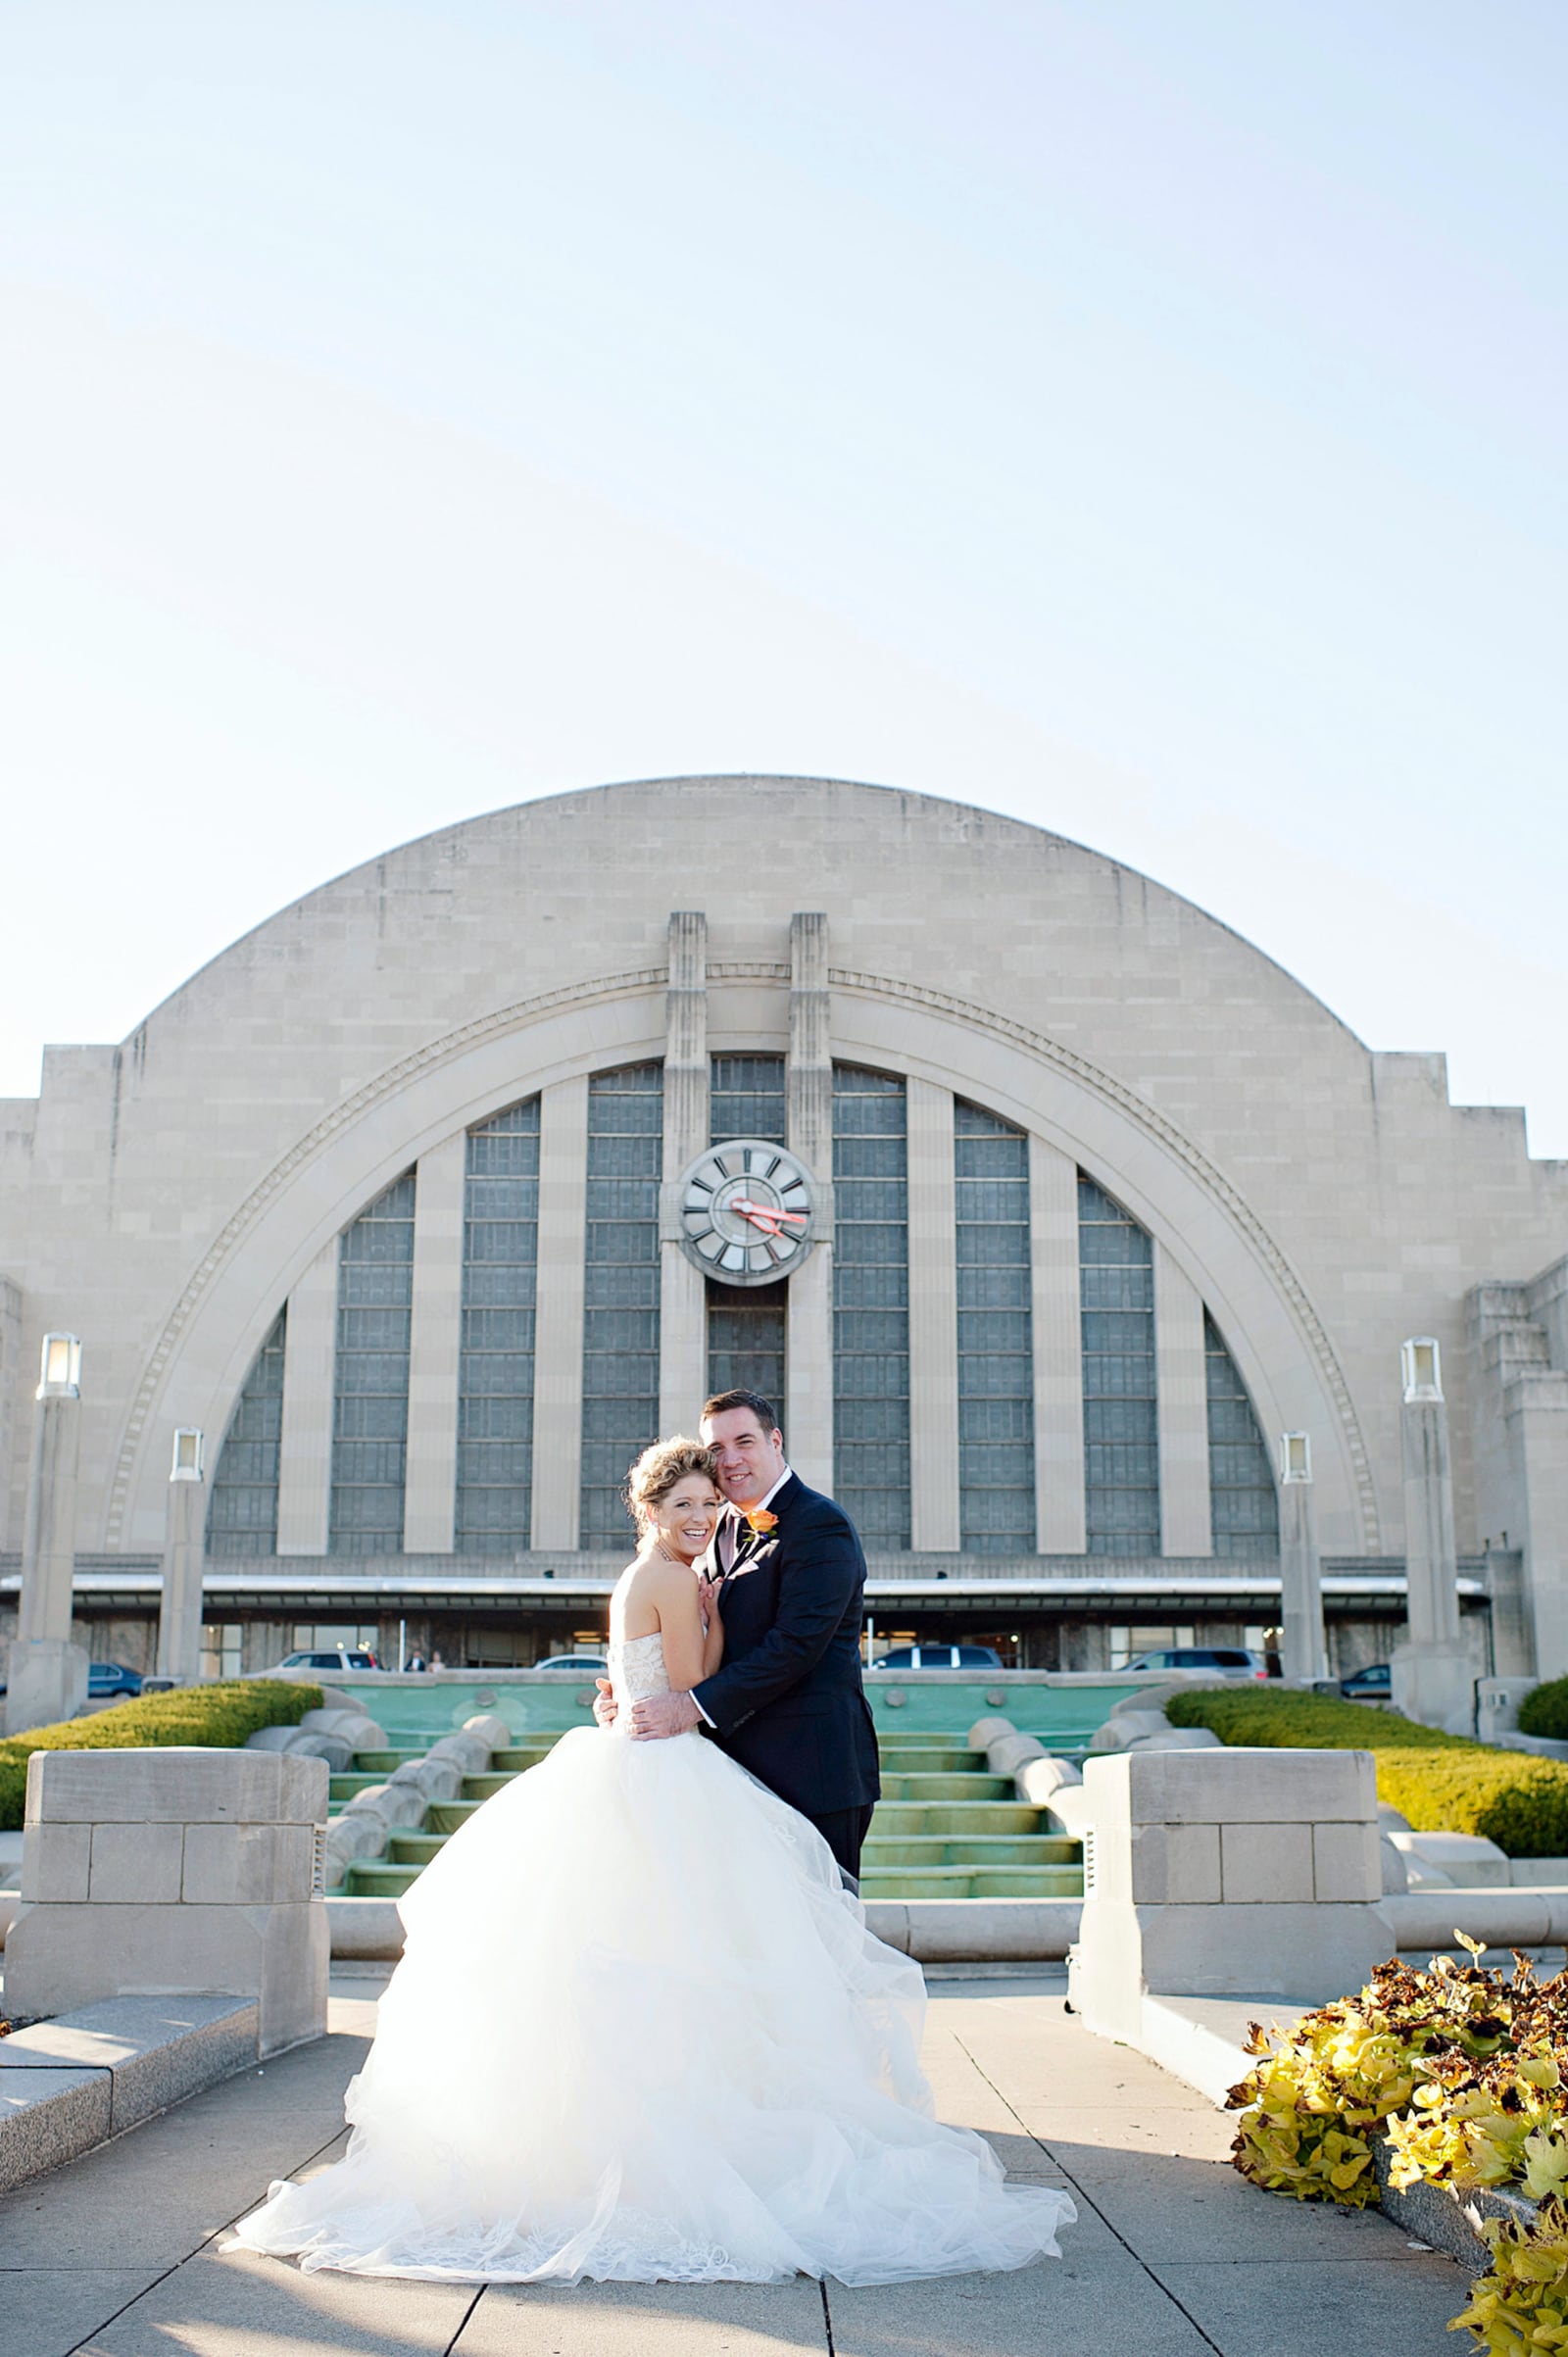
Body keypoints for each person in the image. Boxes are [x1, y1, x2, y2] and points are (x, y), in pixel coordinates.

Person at [231, 1437, 1073, 2285]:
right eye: (686, 1507)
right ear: (652, 1512)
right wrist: (710, 1616)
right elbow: (690, 1677)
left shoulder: (640, 1576)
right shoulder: (674, 1579)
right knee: (700, 1955)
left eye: (710, 1504)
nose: (703, 1517)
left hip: (636, 1756)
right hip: (670, 1768)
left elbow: (635, 1678)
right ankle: (689, 2146)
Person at [598, 1388, 881, 1887]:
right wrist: (631, 1697)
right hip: (734, 1775)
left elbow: (794, 1648)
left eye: (743, 1442)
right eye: (716, 1450)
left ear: (775, 1441)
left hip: (812, 1772)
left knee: (820, 1936)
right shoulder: (716, 1525)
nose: (729, 1460)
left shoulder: (822, 1526)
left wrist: (688, 1706)